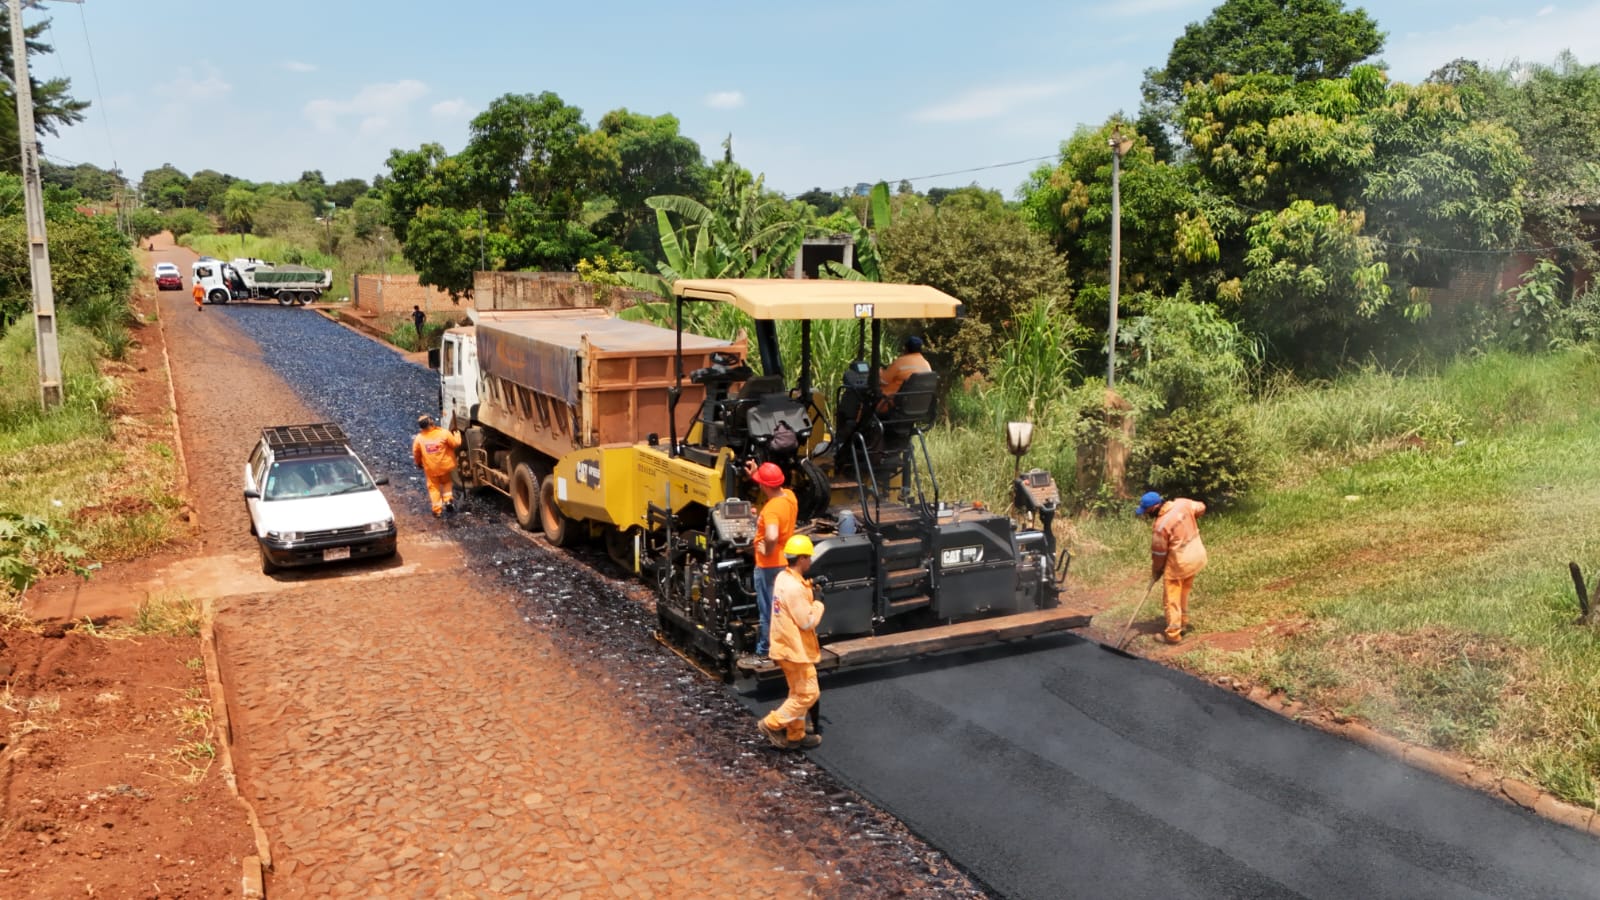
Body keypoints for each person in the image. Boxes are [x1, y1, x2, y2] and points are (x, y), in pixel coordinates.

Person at [758, 535, 825, 750]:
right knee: (809, 693)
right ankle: (772, 724)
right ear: (802, 558)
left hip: (784, 646)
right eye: (809, 558)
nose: (811, 562)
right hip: (794, 650)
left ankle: (796, 736)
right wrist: (818, 604)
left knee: (797, 693)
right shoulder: (795, 588)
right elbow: (807, 622)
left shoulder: (783, 578)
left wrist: (810, 588)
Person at [1136, 491, 1209, 644]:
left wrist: (1156, 571)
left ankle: (1173, 634)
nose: (1147, 514)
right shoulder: (1182, 503)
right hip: (1195, 556)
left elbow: (1159, 554)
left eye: (1147, 511)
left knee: (1172, 599)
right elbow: (1201, 507)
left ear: (1155, 507)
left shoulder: (1160, 526)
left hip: (1179, 564)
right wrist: (1187, 518)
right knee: (1183, 593)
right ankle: (1183, 623)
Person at [743, 460, 797, 658]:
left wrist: (767, 549)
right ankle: (787, 646)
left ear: (764, 485)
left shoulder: (771, 509)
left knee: (768, 610)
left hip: (769, 565)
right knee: (783, 609)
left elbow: (772, 535)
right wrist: (759, 474)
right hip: (786, 562)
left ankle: (765, 650)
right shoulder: (790, 497)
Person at [412, 414, 462, 518]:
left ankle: (437, 510)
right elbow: (455, 444)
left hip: (431, 469)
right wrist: (457, 435)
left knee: (433, 488)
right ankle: (448, 501)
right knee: (447, 482)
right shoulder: (443, 433)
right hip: (445, 466)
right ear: (431, 423)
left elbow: (416, 453)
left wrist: (418, 463)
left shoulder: (419, 439)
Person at [878, 335, 931, 411]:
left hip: (889, 403)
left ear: (906, 348)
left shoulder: (900, 362)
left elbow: (883, 381)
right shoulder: (926, 364)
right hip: (917, 406)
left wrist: (879, 371)